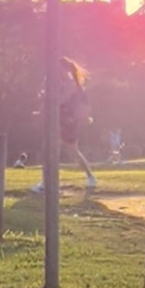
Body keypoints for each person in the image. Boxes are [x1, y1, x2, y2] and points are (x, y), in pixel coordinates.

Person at [35, 57, 99, 193]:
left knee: (69, 151)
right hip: (55, 120)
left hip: (67, 121)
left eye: (58, 68)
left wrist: (49, 96)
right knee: (50, 150)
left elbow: (60, 100)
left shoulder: (71, 84)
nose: (56, 71)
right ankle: (47, 182)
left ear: (65, 69)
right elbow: (45, 97)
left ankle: (89, 177)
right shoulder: (55, 82)